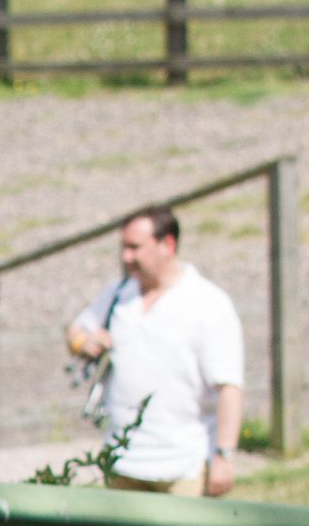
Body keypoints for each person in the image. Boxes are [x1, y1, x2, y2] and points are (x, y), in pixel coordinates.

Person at [67, 206, 245, 498]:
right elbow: (75, 330)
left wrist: (224, 457)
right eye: (123, 248)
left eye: (135, 248)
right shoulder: (117, 293)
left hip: (183, 467)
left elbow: (229, 387)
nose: (126, 257)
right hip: (121, 462)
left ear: (168, 245)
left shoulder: (208, 303)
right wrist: (82, 343)